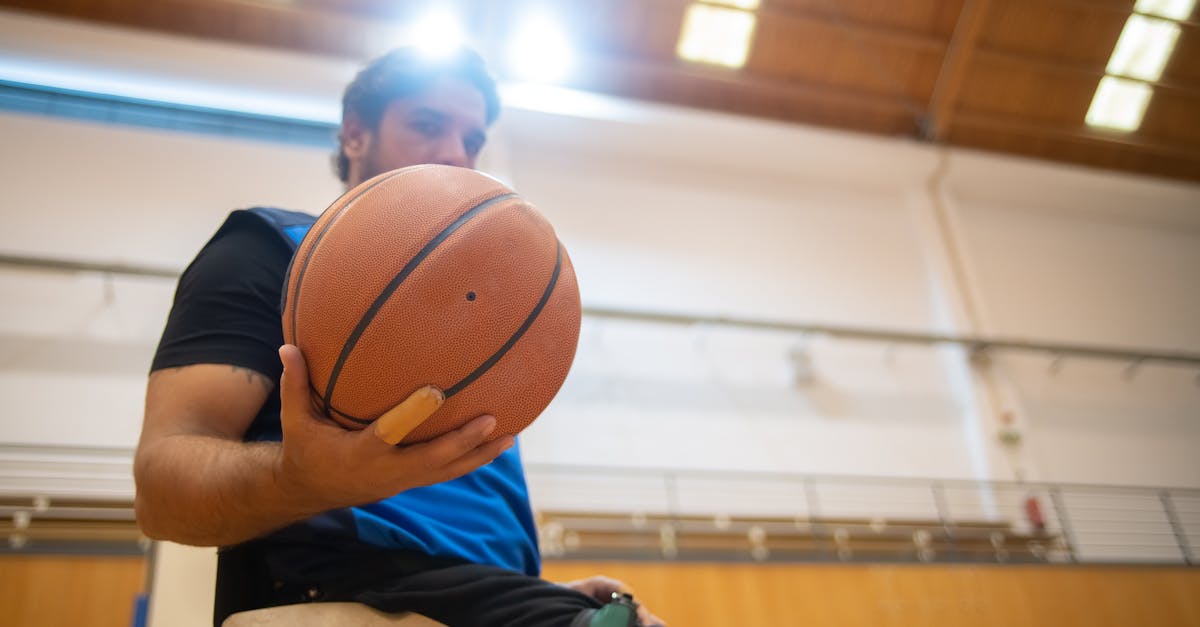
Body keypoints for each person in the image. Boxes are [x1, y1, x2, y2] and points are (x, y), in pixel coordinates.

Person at [134, 46, 664, 627]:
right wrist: (302, 480)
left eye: (472, 139)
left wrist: (532, 588)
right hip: (346, 579)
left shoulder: (495, 314)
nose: (455, 153)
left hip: (490, 594)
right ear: (355, 134)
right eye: (427, 125)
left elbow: (458, 523)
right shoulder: (267, 250)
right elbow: (161, 492)